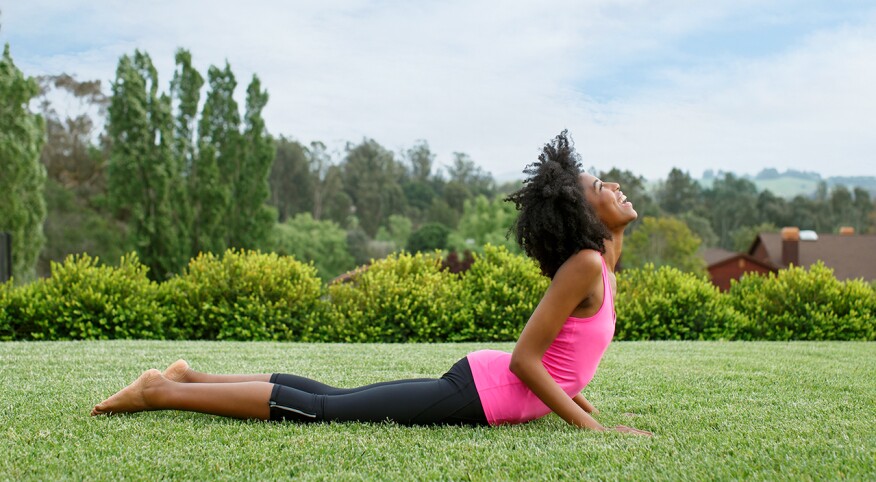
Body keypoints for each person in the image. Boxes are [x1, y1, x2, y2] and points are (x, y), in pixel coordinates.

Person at [92, 131, 651, 435]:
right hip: (482, 394)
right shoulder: (583, 262)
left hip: (485, 389)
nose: (617, 185)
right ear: (582, 213)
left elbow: (562, 356)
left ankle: (191, 375)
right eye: (602, 183)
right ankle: (161, 391)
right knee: (328, 412)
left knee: (336, 399)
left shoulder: (597, 263)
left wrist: (580, 399)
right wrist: (587, 427)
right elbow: (528, 358)